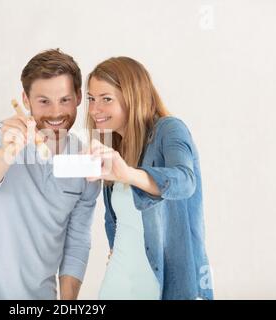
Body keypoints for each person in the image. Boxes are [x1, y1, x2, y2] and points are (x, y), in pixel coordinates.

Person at [0, 49, 100, 299]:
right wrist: (6, 154)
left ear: (78, 98)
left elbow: (77, 242)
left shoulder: (86, 161)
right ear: (25, 100)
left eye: (64, 99)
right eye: (43, 101)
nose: (55, 113)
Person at [85, 56, 213, 300]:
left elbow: (185, 180)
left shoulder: (170, 129)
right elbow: (116, 222)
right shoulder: (115, 146)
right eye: (91, 99)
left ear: (133, 96)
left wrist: (129, 174)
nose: (94, 110)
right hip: (119, 283)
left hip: (168, 285)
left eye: (106, 99)